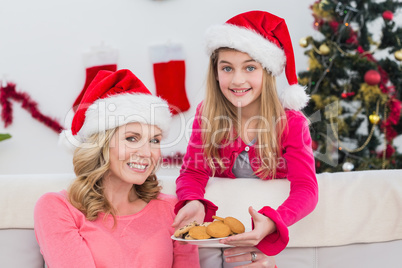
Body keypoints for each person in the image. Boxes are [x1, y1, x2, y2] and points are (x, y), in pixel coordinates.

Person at [172, 10, 318, 268]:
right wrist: (192, 200)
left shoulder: (291, 123)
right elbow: (193, 172)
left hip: (271, 239)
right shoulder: (206, 115)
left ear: (267, 72)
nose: (237, 80)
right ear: (216, 73)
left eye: (250, 67)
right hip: (224, 236)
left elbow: (306, 188)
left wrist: (275, 220)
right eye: (227, 68)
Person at [34, 69, 200, 268]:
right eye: (132, 138)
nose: (147, 153)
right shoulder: (58, 208)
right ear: (101, 145)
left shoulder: (173, 211)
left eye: (154, 140)